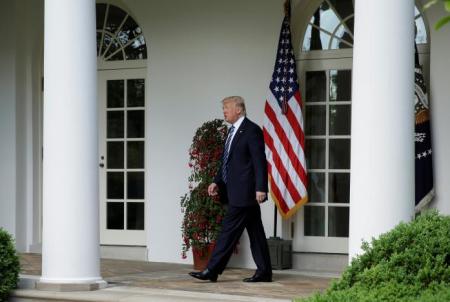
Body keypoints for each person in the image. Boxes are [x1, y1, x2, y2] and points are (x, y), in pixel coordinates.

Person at [189, 96, 272, 283]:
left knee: (228, 231)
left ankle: (212, 269)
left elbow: (260, 162)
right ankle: (265, 272)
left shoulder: (252, 130)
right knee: (256, 232)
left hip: (245, 193)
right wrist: (217, 181)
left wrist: (261, 188)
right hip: (235, 191)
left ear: (239, 109)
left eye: (227, 107)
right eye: (223, 108)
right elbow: (226, 162)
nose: (224, 111)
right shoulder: (231, 131)